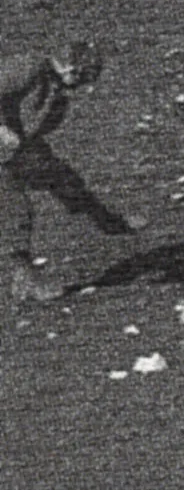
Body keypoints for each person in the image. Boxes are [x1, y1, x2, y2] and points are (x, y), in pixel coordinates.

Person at [2, 42, 135, 303]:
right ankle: (25, 277)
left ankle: (107, 221)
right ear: (71, 68)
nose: (82, 85)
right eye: (83, 76)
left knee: (61, 177)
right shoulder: (28, 68)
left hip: (13, 147)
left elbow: (35, 128)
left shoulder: (53, 88)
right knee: (14, 209)